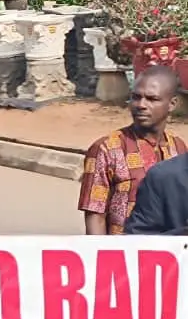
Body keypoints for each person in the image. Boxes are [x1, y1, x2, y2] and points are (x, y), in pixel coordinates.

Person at [79, 65, 185, 235]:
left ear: (172, 104)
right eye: (136, 97)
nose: (141, 105)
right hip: (123, 254)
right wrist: (102, 257)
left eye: (152, 99)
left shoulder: (179, 148)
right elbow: (95, 215)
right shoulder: (107, 149)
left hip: (170, 255)